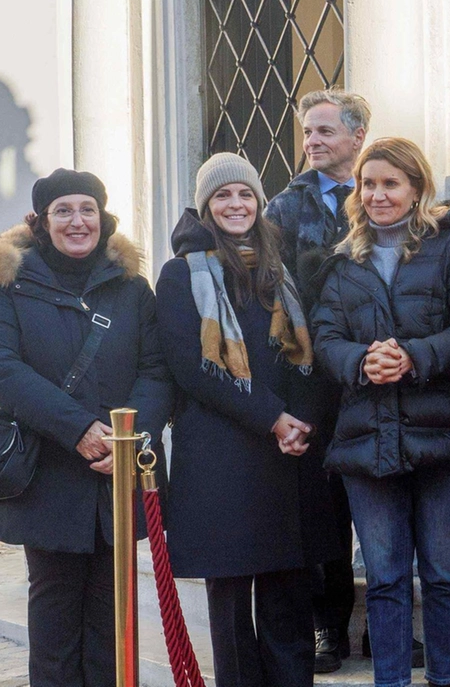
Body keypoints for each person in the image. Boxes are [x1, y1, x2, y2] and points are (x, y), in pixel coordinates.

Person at [0, 168, 172, 687]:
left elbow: (156, 370)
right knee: (56, 624)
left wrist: (128, 441)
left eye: (87, 210)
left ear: (102, 218)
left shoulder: (132, 289)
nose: (77, 221)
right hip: (49, 476)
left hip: (116, 478)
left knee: (113, 620)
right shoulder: (13, 284)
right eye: (63, 211)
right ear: (41, 222)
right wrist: (78, 427)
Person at [310, 137, 450, 687]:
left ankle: (443, 680)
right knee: (386, 578)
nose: (377, 194)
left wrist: (412, 357)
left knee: (442, 575)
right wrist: (361, 360)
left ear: (417, 189)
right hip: (369, 440)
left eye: (391, 183)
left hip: (446, 439)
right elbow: (324, 337)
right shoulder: (342, 262)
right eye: (369, 184)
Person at [156, 153, 336, 687]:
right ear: (206, 206)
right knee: (231, 606)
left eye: (244, 195)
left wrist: (301, 420)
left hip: (288, 457)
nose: (235, 205)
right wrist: (273, 418)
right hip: (222, 457)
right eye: (222, 196)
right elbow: (193, 367)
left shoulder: (284, 267)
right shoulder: (180, 274)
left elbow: (310, 353)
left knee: (288, 597)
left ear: (259, 202)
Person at [263, 88, 372, 673]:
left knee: (384, 502)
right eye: (307, 133)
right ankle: (328, 627)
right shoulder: (283, 206)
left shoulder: (385, 190)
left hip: (379, 376)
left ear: (357, 136)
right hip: (312, 381)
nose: (312, 142)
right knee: (322, 508)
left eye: (325, 131)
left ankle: (386, 626)